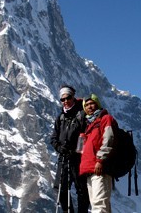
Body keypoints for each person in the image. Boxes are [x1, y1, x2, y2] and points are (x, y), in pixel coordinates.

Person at [51, 85, 90, 213]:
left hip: (78, 159)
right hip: (63, 158)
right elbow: (53, 138)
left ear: (73, 97)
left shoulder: (81, 115)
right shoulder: (60, 118)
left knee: (81, 189)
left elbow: (86, 135)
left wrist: (76, 150)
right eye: (63, 99)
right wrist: (59, 147)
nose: (66, 101)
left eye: (68, 98)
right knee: (60, 188)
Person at [79, 94, 116, 213]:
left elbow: (108, 139)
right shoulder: (90, 126)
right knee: (98, 204)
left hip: (100, 169)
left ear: (97, 104)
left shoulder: (106, 119)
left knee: (99, 205)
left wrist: (100, 160)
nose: (90, 106)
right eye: (87, 105)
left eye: (92, 103)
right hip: (89, 170)